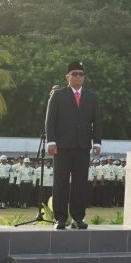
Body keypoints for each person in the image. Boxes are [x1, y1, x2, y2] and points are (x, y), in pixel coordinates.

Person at [45, 61, 103, 230]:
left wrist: (97, 142)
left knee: (80, 184)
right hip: (62, 147)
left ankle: (77, 218)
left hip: (82, 146)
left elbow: (97, 122)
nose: (78, 77)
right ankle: (60, 218)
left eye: (81, 74)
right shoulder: (58, 95)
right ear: (67, 77)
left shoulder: (92, 97)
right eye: (75, 73)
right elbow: (51, 120)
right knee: (61, 183)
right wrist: (51, 141)